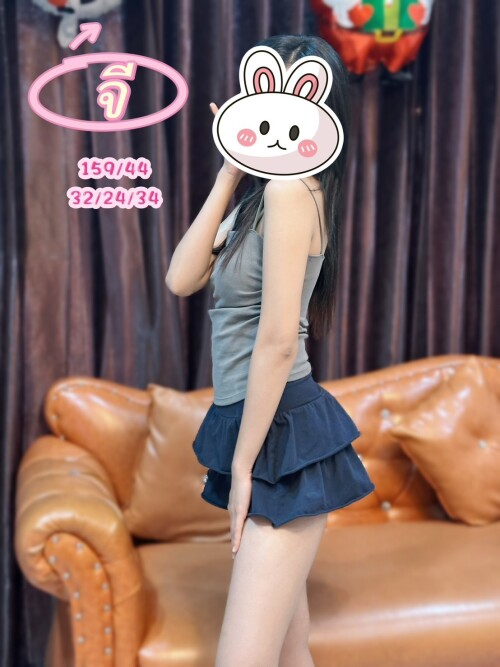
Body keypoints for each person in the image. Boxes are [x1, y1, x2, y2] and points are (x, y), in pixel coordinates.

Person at [166, 33, 376, 667]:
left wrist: (242, 467)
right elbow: (181, 277)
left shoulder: (294, 192)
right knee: (288, 652)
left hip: (280, 432)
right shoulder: (262, 195)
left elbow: (280, 341)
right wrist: (231, 169)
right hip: (255, 422)